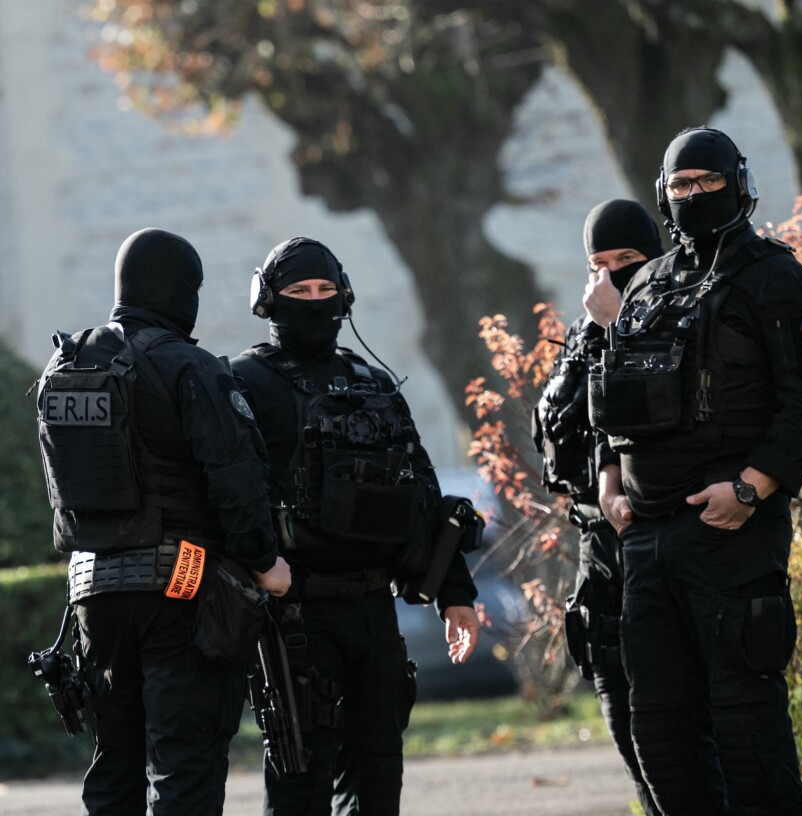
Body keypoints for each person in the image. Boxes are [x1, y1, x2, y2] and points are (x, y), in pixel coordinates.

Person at [590, 128, 802, 816]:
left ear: (737, 182)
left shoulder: (775, 279)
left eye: (706, 181)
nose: (693, 195)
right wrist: (611, 483)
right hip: (648, 539)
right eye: (680, 185)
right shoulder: (646, 284)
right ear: (662, 195)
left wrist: (751, 487)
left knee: (746, 731)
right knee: (662, 738)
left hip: (732, 534)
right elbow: (611, 402)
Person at [35, 227, 292, 815]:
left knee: (115, 761)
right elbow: (235, 477)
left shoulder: (64, 367)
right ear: (181, 289)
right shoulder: (188, 365)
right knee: (185, 765)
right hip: (181, 589)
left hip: (92, 595)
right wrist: (263, 562)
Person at [230, 236, 480, 816]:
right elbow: (232, 497)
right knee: (301, 784)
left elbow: (424, 491)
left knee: (378, 783)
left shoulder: (374, 383)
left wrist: (455, 593)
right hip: (295, 615)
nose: (315, 302)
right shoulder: (243, 381)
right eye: (298, 292)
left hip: (373, 608)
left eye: (325, 290)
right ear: (267, 300)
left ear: (344, 296)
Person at [535, 199, 666, 815]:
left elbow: (656, 416)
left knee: (681, 749)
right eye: (597, 264)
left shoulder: (673, 324)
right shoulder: (585, 335)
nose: (609, 278)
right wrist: (599, 331)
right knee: (629, 739)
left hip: (658, 546)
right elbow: (556, 440)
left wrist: (623, 328)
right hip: (599, 554)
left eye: (628, 261)